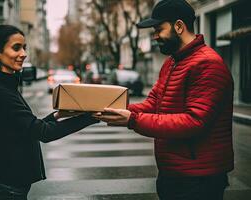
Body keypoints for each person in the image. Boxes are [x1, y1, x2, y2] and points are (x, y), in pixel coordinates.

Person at [94, 0, 234, 199]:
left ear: (179, 26)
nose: (155, 36)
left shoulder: (208, 64)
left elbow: (195, 121)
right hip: (173, 172)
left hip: (199, 177)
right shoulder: (172, 63)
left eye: (159, 29)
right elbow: (153, 104)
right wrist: (112, 109)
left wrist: (132, 120)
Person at [0, 25, 98, 200]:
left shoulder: (7, 86)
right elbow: (43, 132)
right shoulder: (0, 92)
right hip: (7, 191)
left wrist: (58, 115)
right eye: (16, 48)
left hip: (11, 188)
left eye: (24, 48)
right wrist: (89, 117)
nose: (23, 54)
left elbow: (28, 127)